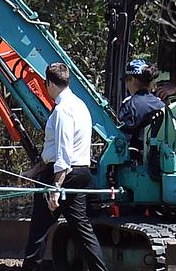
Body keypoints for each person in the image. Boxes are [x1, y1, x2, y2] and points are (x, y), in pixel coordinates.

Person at [21, 63, 108, 271]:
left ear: (50, 83)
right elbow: (54, 148)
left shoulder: (62, 110)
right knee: (83, 229)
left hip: (63, 175)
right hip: (81, 173)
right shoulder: (80, 105)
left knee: (39, 230)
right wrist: (34, 171)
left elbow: (63, 151)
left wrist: (56, 187)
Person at [119, 59, 165, 150]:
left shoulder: (130, 106)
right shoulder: (161, 105)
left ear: (131, 79)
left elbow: (121, 138)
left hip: (136, 160)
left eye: (127, 81)